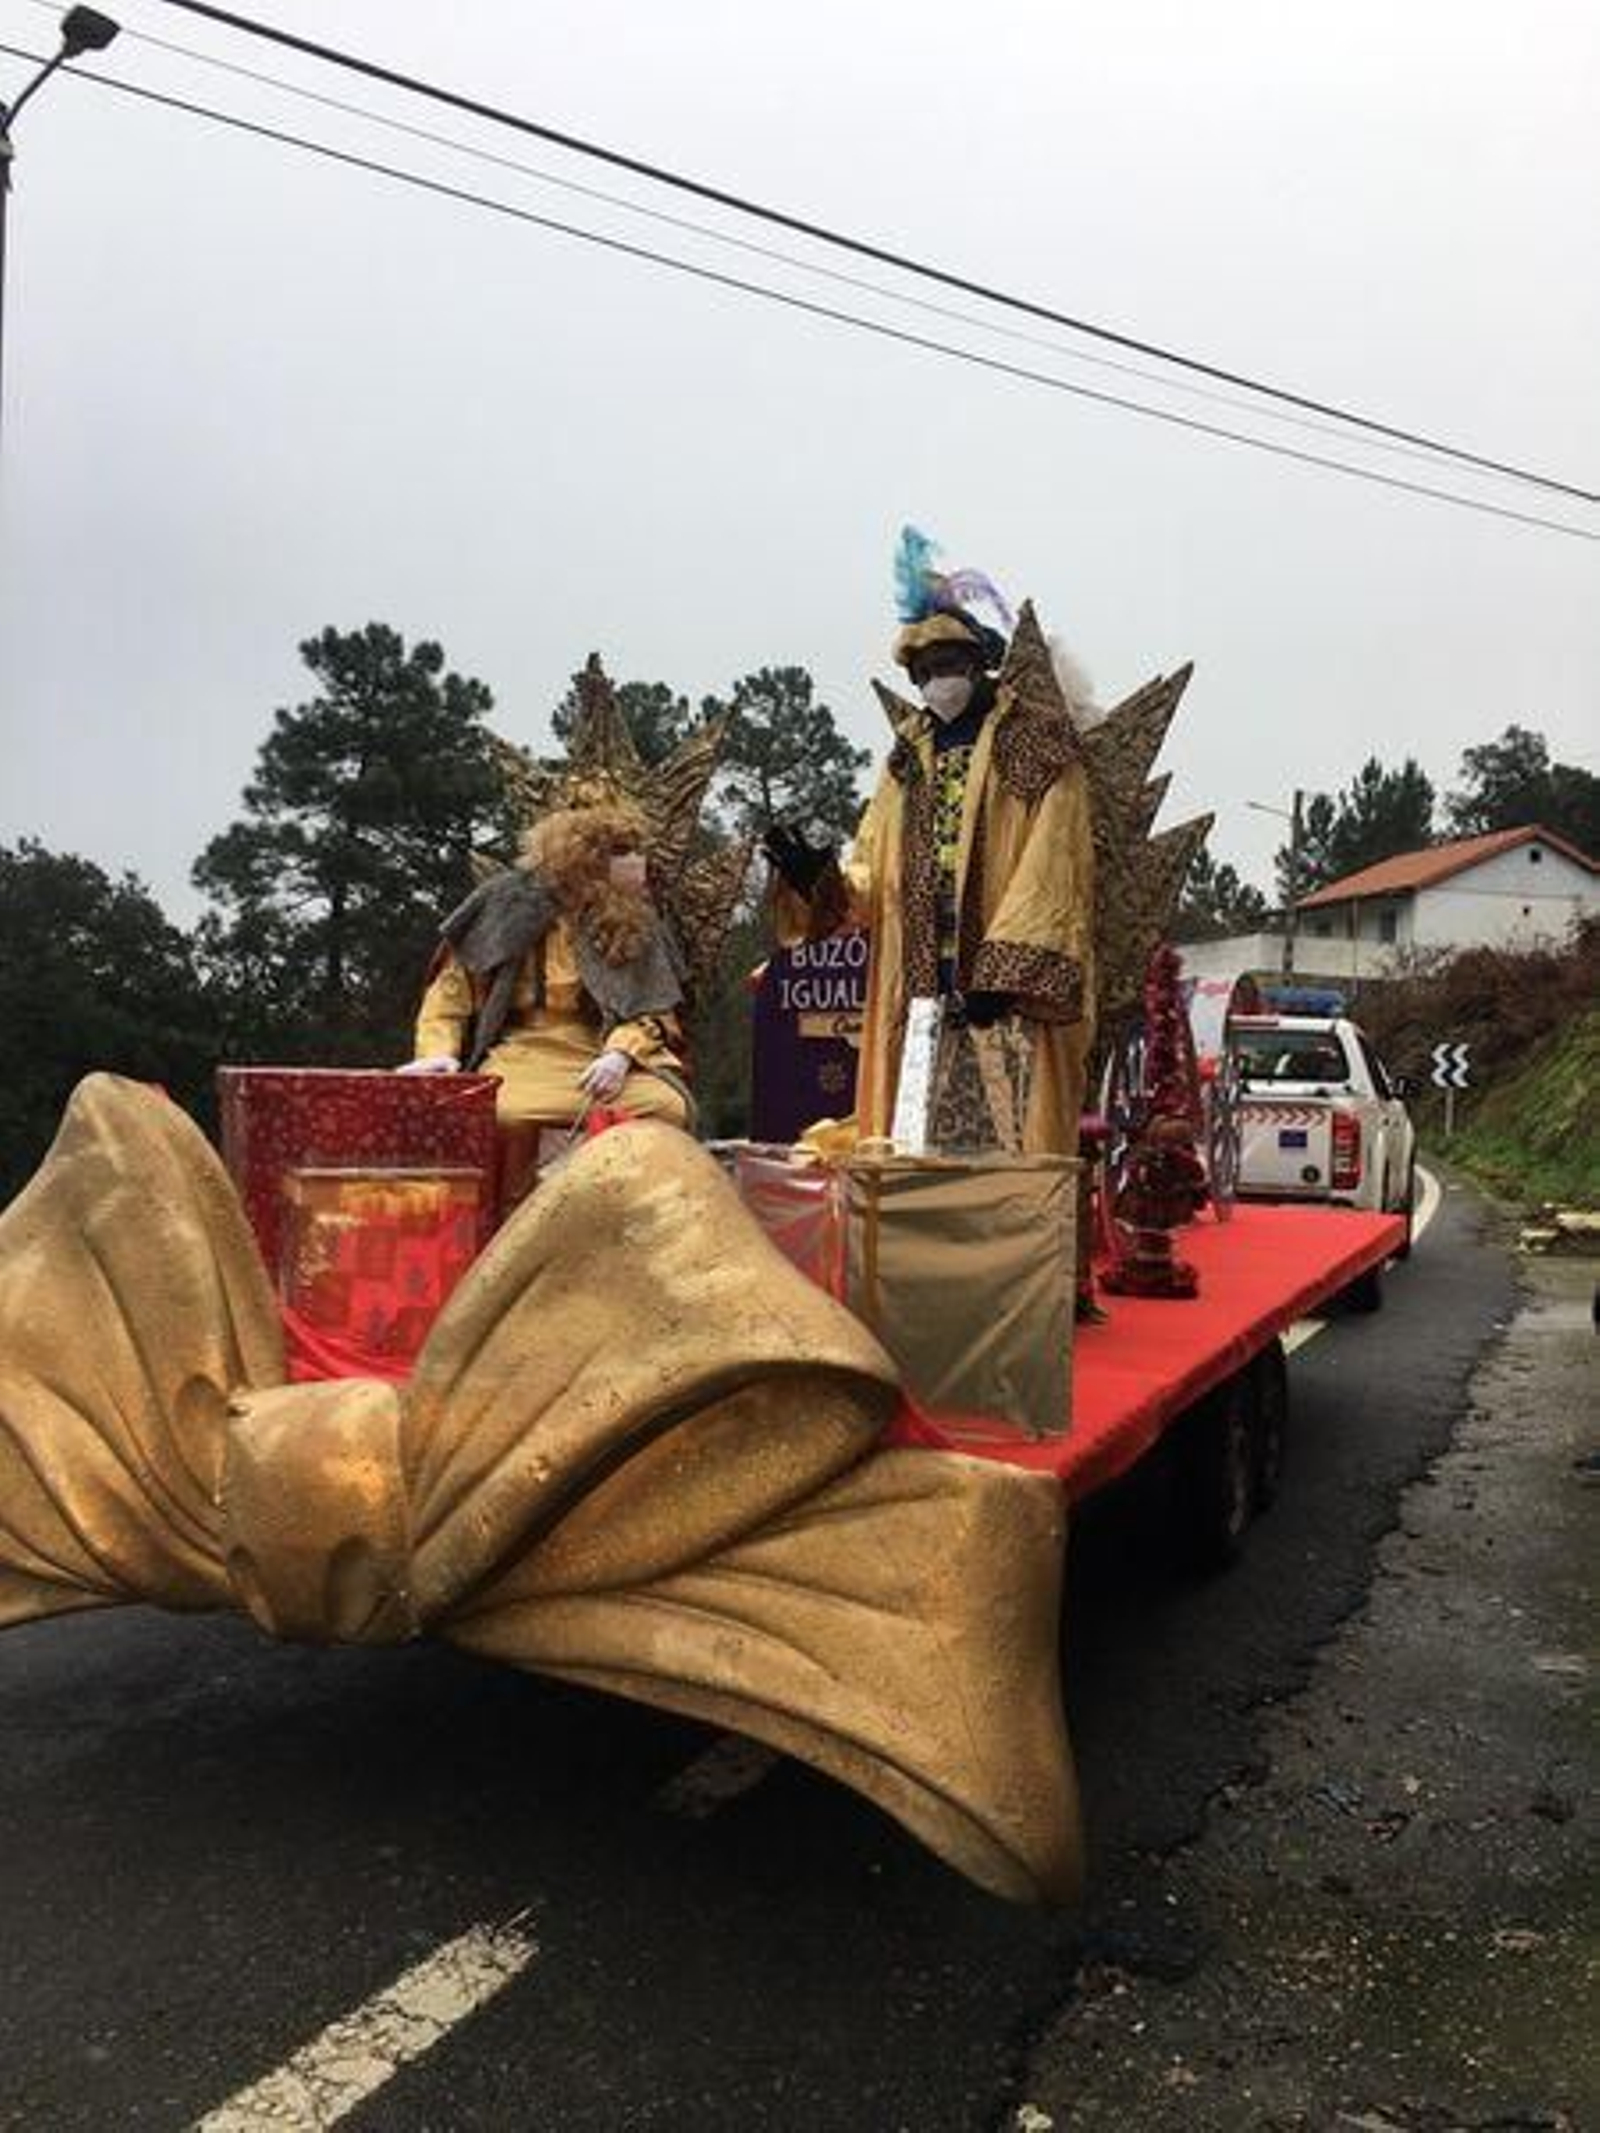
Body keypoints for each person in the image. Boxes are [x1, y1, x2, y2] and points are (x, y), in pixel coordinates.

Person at [765, 529, 1095, 1156]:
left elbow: (1054, 868)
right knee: (916, 1143)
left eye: (945, 667)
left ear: (976, 663)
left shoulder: (1036, 747)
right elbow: (873, 880)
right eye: (922, 673)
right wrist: (819, 880)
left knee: (1005, 1145)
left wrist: (1003, 973)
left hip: (1003, 995)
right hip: (919, 990)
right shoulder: (907, 760)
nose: (935, 683)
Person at [402, 793, 693, 1155]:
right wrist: (438, 1051)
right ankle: (521, 1194)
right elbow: (449, 995)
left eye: (635, 850)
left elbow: (657, 1012)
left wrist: (621, 1054)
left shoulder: (633, 918)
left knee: (667, 1108)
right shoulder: (503, 901)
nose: (636, 863)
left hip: (601, 1053)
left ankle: (622, 1191)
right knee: (503, 1114)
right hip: (524, 1054)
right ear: (582, 856)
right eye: (620, 852)